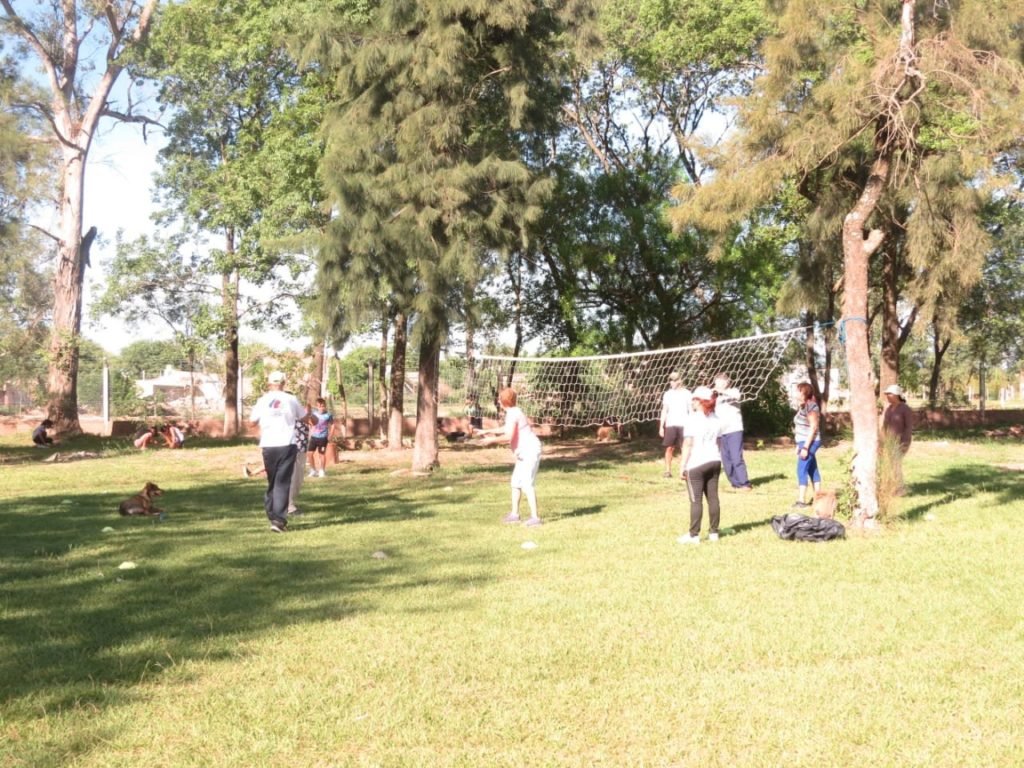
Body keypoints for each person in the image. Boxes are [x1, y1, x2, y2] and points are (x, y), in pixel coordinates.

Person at [250, 370, 306, 533]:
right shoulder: (291, 399)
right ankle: (278, 520)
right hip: (287, 444)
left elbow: (251, 422)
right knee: (282, 482)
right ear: (283, 383)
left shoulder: (262, 400)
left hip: (269, 445)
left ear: (269, 383)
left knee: (273, 480)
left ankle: (272, 513)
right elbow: (303, 417)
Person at [480, 387, 543, 527]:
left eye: (499, 398)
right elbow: (506, 429)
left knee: (527, 484)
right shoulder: (513, 412)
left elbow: (508, 436)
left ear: (504, 401)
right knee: (515, 482)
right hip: (523, 453)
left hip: (530, 451)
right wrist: (485, 431)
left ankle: (535, 518)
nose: (498, 401)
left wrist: (491, 440)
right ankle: (515, 515)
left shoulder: (514, 413)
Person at [677, 386, 724, 544]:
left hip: (697, 463)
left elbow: (688, 444)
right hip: (715, 461)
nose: (692, 402)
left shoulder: (692, 419)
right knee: (713, 498)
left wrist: (683, 466)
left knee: (696, 500)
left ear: (700, 401)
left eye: (694, 399)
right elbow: (719, 442)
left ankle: (694, 535)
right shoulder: (717, 419)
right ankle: (714, 533)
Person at [713, 374, 752, 491]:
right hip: (721, 432)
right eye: (716, 382)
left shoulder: (733, 391)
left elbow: (737, 397)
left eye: (720, 382)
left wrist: (720, 391)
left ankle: (745, 483)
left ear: (727, 383)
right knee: (726, 460)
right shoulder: (717, 397)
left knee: (736, 457)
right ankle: (735, 483)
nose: (717, 384)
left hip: (734, 430)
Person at [792, 381, 822, 508]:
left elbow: (813, 427)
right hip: (803, 441)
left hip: (810, 442)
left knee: (801, 468)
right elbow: (801, 427)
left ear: (804, 393)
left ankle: (801, 501)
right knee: (812, 469)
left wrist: (805, 447)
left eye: (798, 391)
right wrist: (798, 444)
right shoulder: (803, 406)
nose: (796, 393)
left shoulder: (811, 407)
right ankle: (819, 498)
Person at [881, 383, 914, 495]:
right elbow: (884, 425)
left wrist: (905, 442)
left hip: (900, 441)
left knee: (895, 464)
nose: (887, 396)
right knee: (890, 464)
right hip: (889, 441)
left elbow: (909, 427)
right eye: (886, 394)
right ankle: (892, 486)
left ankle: (900, 488)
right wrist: (882, 439)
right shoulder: (889, 409)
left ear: (896, 395)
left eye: (889, 394)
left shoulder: (905, 409)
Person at [659, 371, 692, 479]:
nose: (671, 382)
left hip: (684, 424)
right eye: (670, 380)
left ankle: (685, 470)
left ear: (679, 381)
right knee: (669, 448)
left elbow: (691, 410)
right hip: (671, 424)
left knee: (685, 448)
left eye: (674, 380)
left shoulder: (687, 393)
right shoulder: (668, 394)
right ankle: (667, 471)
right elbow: (664, 410)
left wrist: (693, 424)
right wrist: (661, 426)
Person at [288, 412, 317, 516]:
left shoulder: (301, 411)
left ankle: (288, 503)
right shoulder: (284, 412)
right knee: (291, 477)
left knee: (298, 479)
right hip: (289, 448)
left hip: (302, 448)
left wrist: (309, 413)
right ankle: (289, 507)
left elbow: (315, 421)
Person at [307, 398, 335, 478]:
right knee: (309, 454)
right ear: (317, 406)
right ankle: (313, 470)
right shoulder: (314, 414)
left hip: (323, 438)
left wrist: (330, 435)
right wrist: (310, 431)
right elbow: (310, 422)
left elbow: (333, 425)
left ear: (325, 406)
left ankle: (322, 471)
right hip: (314, 437)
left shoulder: (328, 415)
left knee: (321, 454)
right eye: (319, 406)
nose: (321, 408)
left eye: (323, 406)